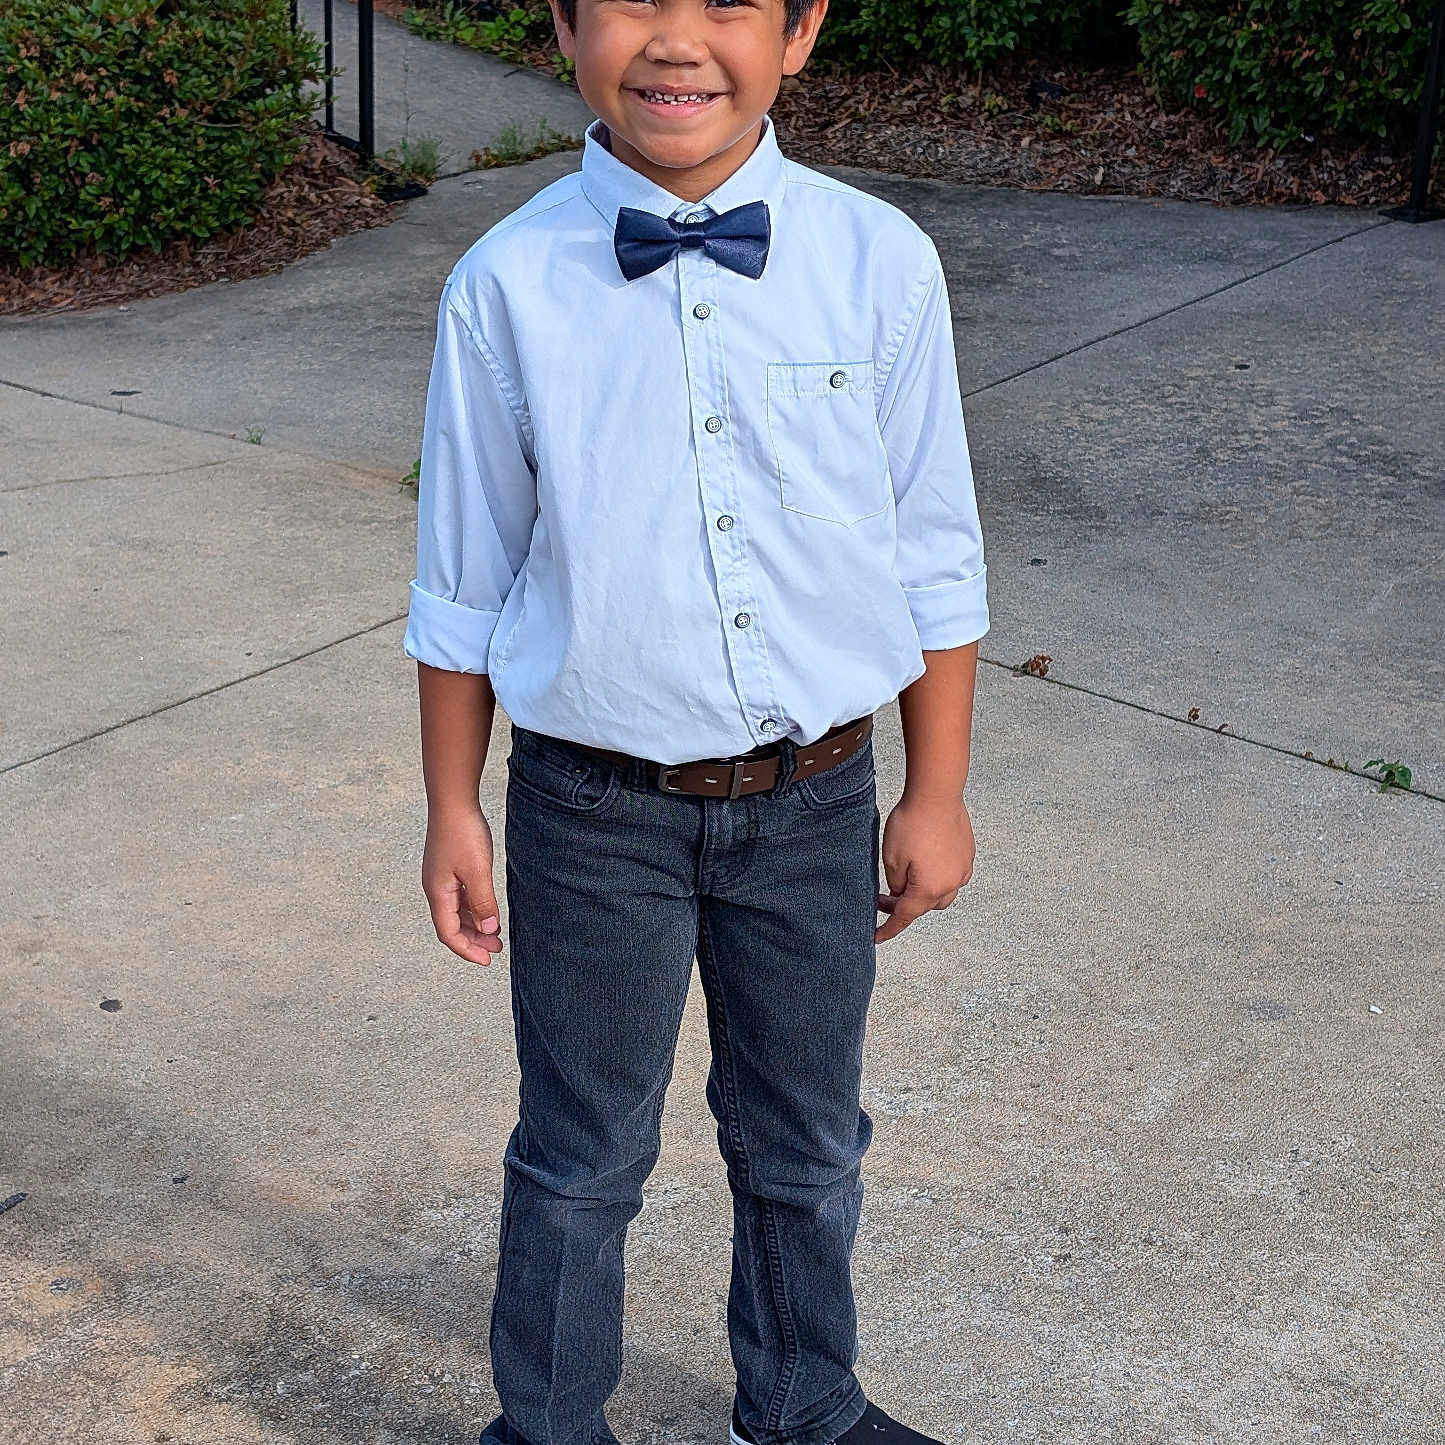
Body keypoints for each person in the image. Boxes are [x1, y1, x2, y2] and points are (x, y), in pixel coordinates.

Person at [402, 3, 989, 1445]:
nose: (676, 41)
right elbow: (463, 576)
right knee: (580, 1151)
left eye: (728, 1)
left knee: (803, 1139)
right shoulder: (507, 284)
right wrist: (452, 807)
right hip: (591, 809)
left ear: (800, 32)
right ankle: (545, 1426)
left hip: (815, 799)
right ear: (560, 24)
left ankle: (801, 1401)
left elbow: (931, 547)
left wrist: (938, 789)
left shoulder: (876, 262)